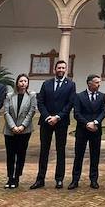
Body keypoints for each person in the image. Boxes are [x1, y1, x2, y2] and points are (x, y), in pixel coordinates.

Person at [32, 59, 75, 189]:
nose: (61, 70)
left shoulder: (70, 85)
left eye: (63, 68)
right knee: (44, 150)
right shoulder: (46, 84)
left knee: (60, 150)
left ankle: (59, 179)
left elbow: (70, 103)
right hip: (46, 122)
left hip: (61, 122)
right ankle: (40, 179)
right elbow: (40, 102)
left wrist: (57, 117)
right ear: (54, 69)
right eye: (59, 68)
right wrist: (47, 117)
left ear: (65, 70)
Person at [71, 73, 105, 189]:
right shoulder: (79, 96)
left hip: (96, 130)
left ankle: (94, 179)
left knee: (95, 156)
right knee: (79, 156)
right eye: (96, 82)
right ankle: (75, 180)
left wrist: (95, 122)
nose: (99, 84)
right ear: (89, 83)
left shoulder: (101, 96)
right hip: (82, 130)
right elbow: (77, 113)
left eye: (99, 82)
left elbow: (103, 112)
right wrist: (87, 123)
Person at [2, 73, 36, 188]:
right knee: (10, 154)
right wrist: (13, 127)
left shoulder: (31, 96)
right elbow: (6, 112)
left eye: (25, 81)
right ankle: (10, 177)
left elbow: (31, 112)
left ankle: (16, 177)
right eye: (21, 81)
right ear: (17, 83)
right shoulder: (9, 96)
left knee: (21, 154)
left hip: (24, 131)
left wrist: (22, 126)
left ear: (28, 83)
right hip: (10, 130)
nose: (23, 83)